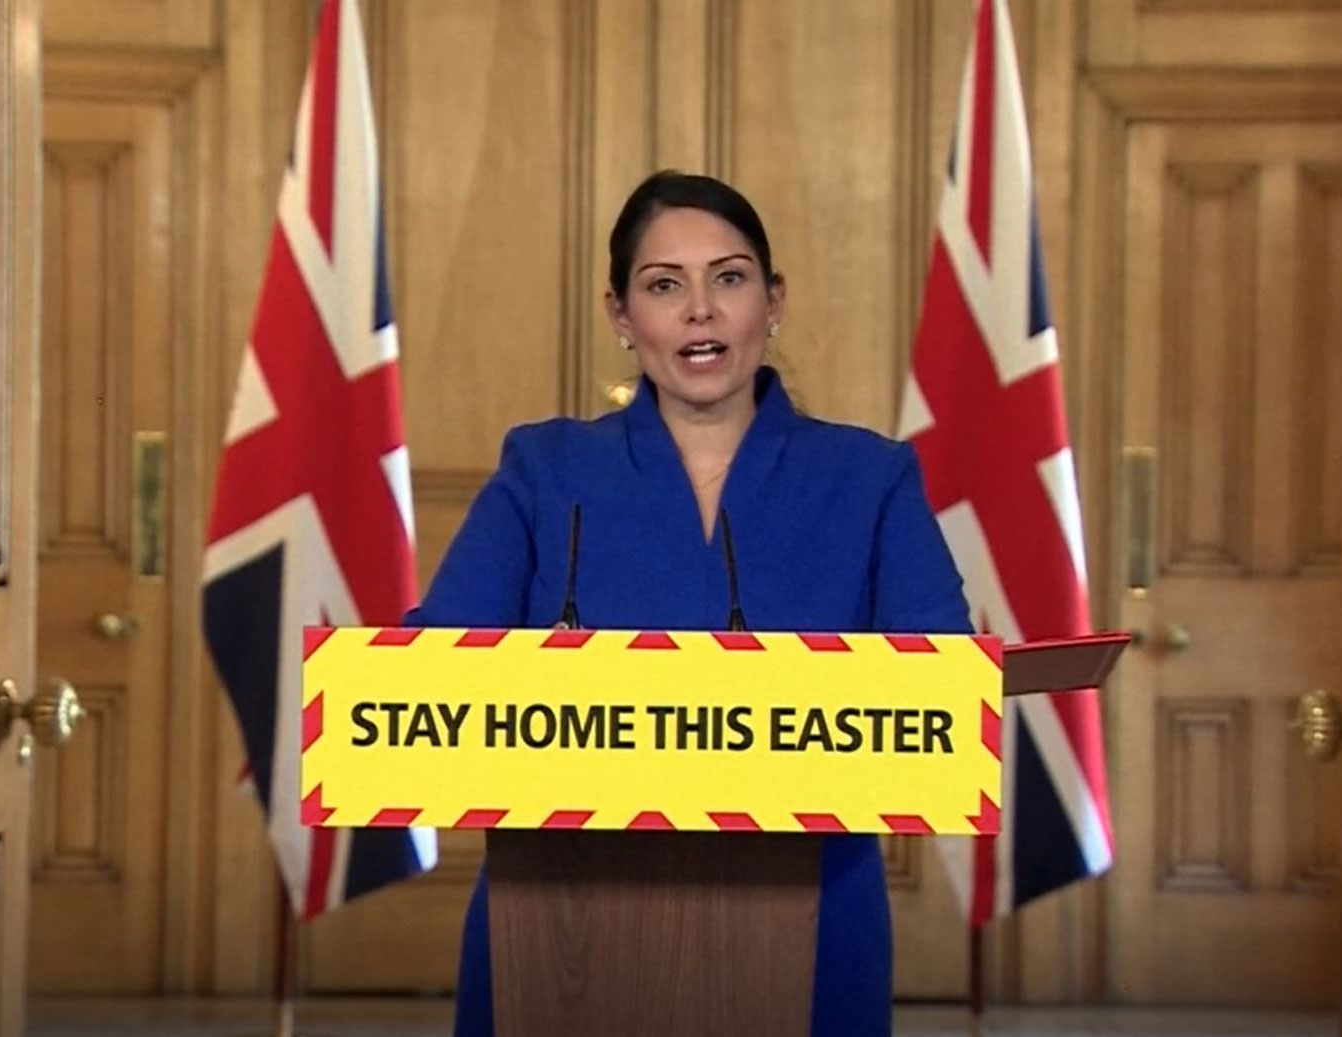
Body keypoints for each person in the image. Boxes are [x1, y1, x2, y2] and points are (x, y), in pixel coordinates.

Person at [402, 170, 972, 1036]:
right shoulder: (544, 471)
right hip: (559, 927)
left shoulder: (870, 478)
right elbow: (429, 671)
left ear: (772, 303)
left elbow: (943, 695)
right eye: (664, 285)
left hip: (813, 919)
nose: (699, 309)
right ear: (622, 319)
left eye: (730, 278)